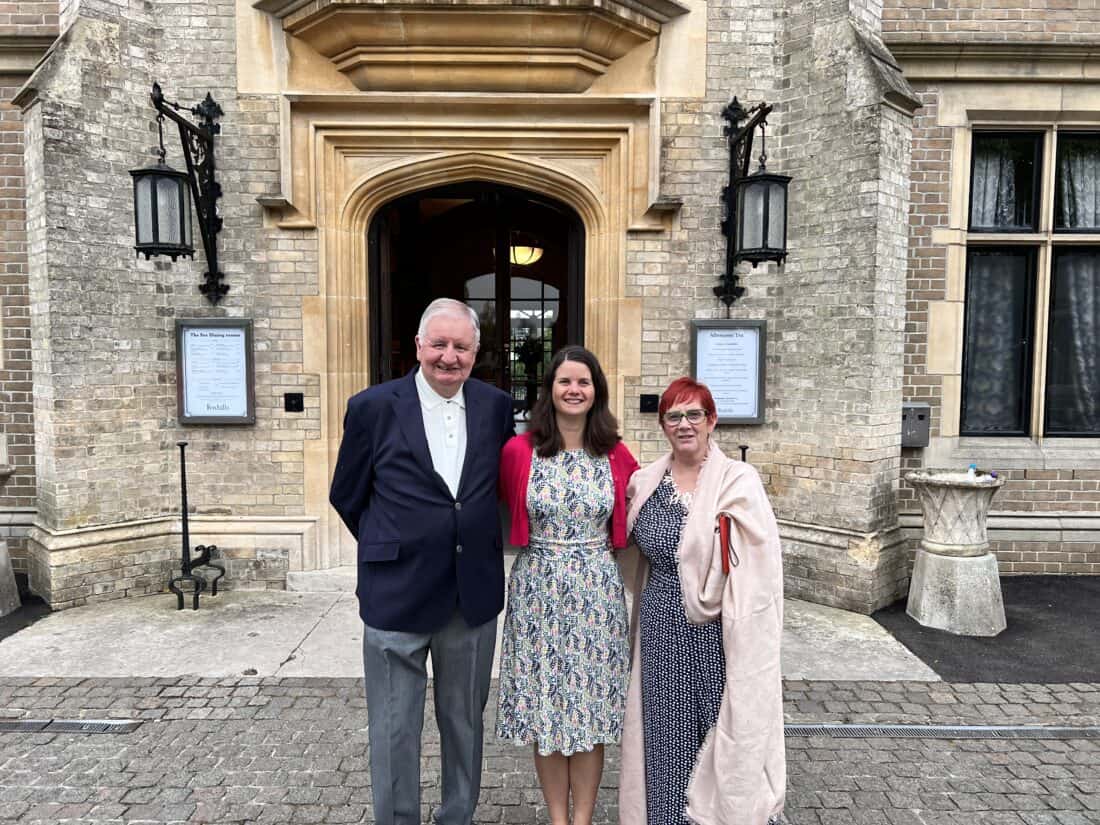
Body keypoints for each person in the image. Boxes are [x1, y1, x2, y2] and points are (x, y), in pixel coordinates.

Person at [329, 298, 515, 825]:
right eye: (439, 344)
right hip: (396, 593)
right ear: (418, 346)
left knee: (464, 723)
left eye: (461, 347)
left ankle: (457, 816)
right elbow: (348, 494)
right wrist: (390, 544)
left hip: (470, 593)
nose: (448, 357)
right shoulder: (372, 407)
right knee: (393, 727)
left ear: (476, 353)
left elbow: (496, 490)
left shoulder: (495, 406)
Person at [618, 377, 786, 825]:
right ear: (663, 425)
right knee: (665, 738)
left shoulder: (739, 482)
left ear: (712, 421)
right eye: (674, 416)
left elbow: (761, 564)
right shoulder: (646, 481)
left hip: (719, 633)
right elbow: (631, 547)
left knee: (721, 733)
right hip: (659, 630)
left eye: (694, 414)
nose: (684, 424)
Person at [496, 345, 639, 825]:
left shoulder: (615, 453)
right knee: (546, 712)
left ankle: (583, 820)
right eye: (565, 382)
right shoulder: (521, 452)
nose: (574, 390)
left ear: (595, 391)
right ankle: (558, 819)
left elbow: (648, 506)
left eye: (583, 382)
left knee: (590, 713)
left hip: (596, 591)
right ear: (550, 390)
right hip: (537, 589)